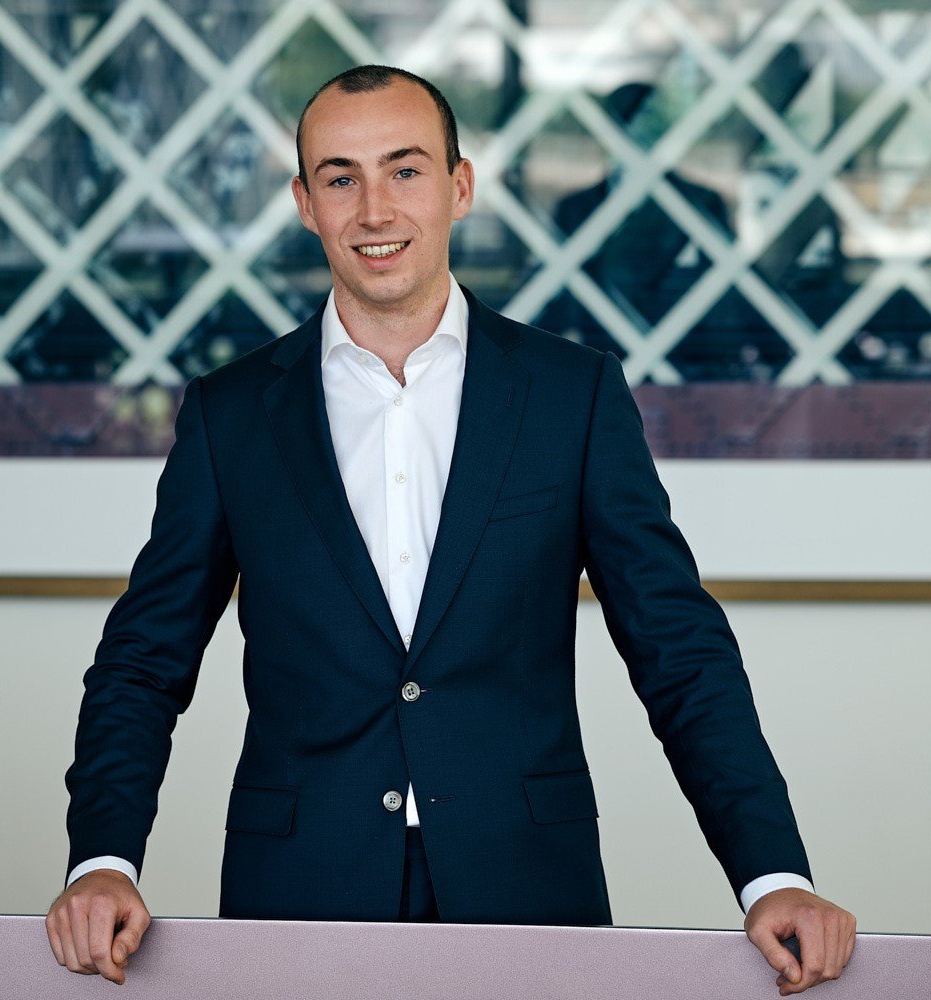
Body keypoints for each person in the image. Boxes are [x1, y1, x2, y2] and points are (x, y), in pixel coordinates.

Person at [46, 65, 855, 995]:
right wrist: (102, 860)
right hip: (299, 892)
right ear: (305, 204)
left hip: (528, 888)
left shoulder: (571, 394)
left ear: (459, 187)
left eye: (405, 170)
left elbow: (679, 649)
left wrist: (773, 875)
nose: (375, 209)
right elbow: (142, 661)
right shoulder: (229, 416)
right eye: (342, 178)